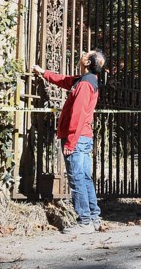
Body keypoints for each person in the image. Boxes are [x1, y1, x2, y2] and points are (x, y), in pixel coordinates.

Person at [32, 49, 106, 234]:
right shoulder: (85, 81)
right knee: (85, 178)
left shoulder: (84, 85)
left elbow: (78, 115)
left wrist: (70, 142)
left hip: (78, 138)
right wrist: (43, 73)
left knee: (77, 179)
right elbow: (64, 80)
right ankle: (94, 218)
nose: (82, 53)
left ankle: (85, 222)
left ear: (88, 62)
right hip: (84, 137)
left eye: (86, 53)